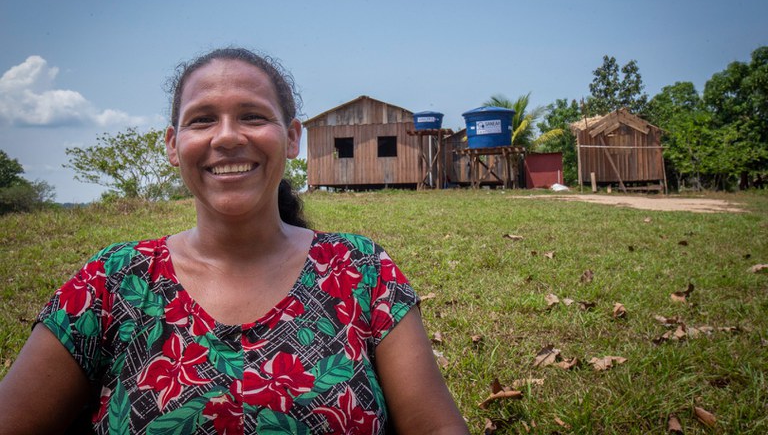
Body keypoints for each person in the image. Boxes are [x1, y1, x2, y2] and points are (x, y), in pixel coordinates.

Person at [0, 47, 469, 434]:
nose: (227, 137)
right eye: (202, 119)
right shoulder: (113, 282)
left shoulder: (361, 271)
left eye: (251, 115)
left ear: (290, 138)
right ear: (172, 143)